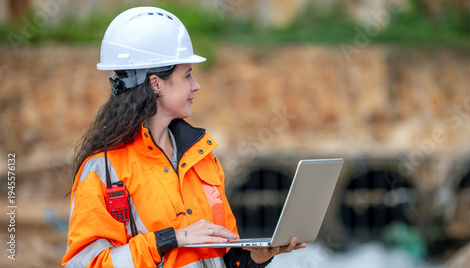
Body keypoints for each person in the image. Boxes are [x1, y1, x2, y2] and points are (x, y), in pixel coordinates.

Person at [62, 6, 305, 268]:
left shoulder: (202, 157)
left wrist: (257, 258)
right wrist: (172, 238)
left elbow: (224, 256)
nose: (196, 85)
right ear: (156, 84)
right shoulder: (103, 169)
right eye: (187, 75)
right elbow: (87, 264)